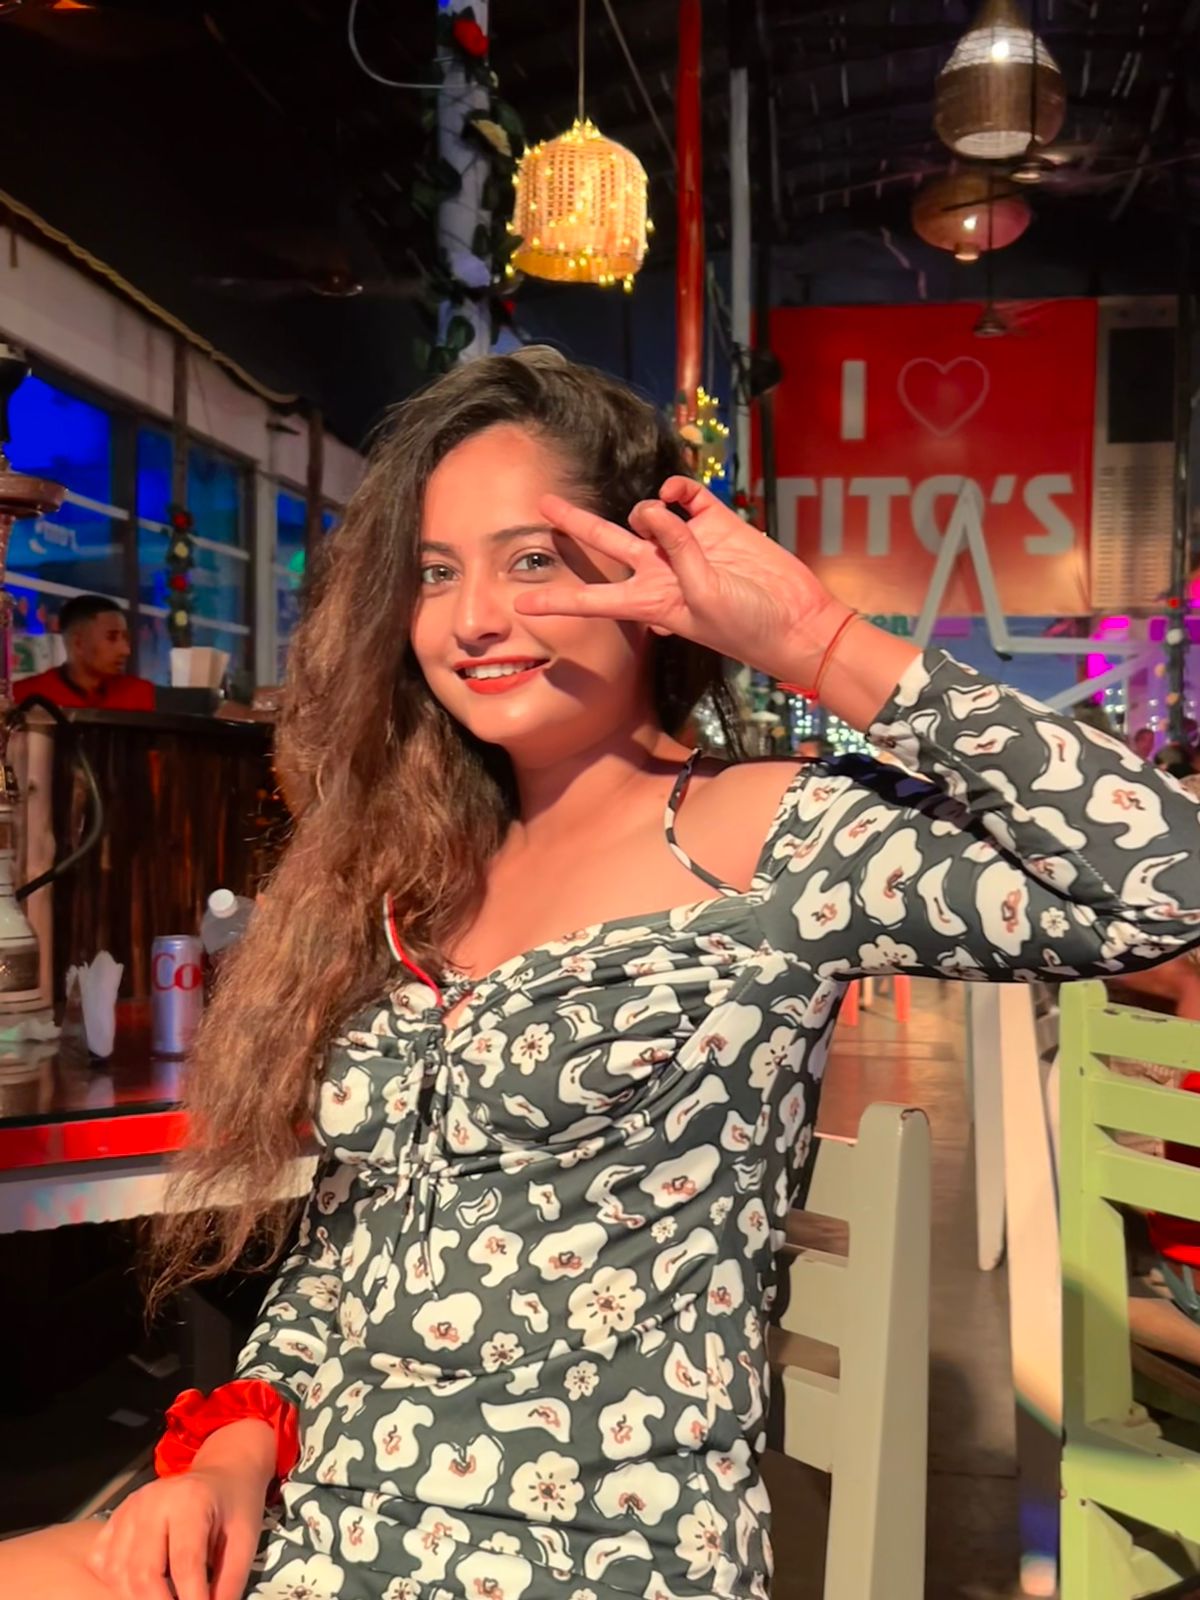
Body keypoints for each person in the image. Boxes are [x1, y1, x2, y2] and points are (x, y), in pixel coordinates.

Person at [9, 348, 1200, 1600]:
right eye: (436, 572)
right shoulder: (424, 873)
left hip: (581, 1555)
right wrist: (227, 1453)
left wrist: (814, 637)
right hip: (313, 1527)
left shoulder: (770, 837)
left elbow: (1164, 882)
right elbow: (356, 1244)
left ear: (651, 577)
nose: (473, 617)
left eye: (533, 560)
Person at [13, 594, 155, 712]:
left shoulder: (138, 693)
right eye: (112, 637)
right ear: (78, 643)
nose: (125, 651)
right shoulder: (25, 696)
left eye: (125, 638)